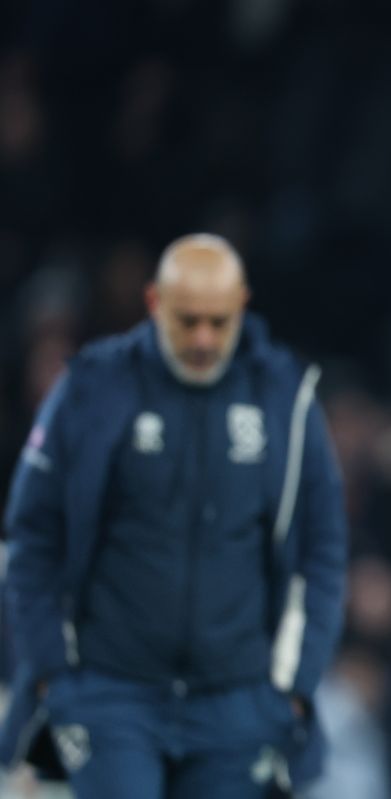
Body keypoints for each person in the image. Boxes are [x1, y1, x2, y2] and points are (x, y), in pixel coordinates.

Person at [0, 234, 348, 798]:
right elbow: (32, 533)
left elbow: (325, 548)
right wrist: (51, 671)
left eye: (218, 320)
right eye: (188, 321)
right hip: (112, 692)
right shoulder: (93, 387)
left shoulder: (286, 399)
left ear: (243, 304)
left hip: (238, 702)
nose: (204, 339)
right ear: (154, 302)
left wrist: (297, 686)